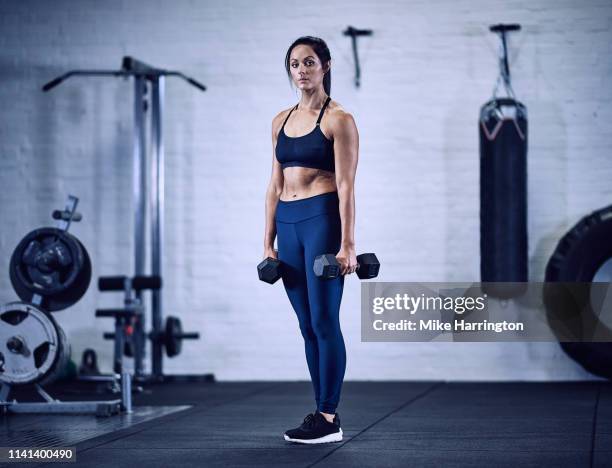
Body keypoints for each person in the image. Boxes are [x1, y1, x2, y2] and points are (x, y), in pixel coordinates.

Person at [263, 36, 359, 444]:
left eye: (309, 62)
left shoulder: (339, 119)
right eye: (295, 64)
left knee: (324, 320)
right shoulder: (280, 120)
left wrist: (348, 245)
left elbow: (346, 186)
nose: (301, 70)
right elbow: (273, 184)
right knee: (306, 325)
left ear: (326, 66)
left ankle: (328, 415)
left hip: (321, 220)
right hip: (288, 222)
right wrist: (267, 243)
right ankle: (320, 412)